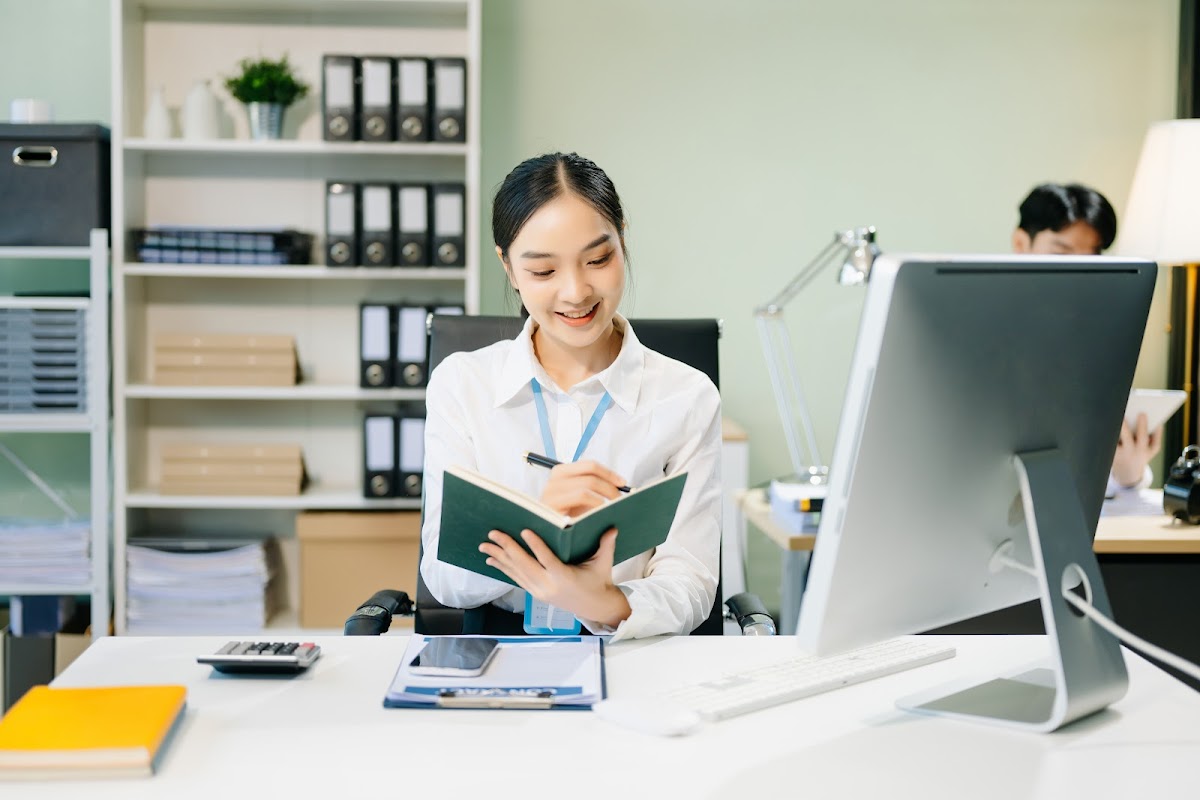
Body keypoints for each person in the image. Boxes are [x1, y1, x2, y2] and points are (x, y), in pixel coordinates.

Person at [419, 152, 721, 640]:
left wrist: (597, 601)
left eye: (598, 259)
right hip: (496, 648)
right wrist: (540, 517)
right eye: (542, 271)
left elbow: (692, 583)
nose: (576, 292)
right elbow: (444, 577)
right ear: (509, 268)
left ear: (623, 241)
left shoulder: (686, 397)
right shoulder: (463, 384)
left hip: (632, 647)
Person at [1013, 182, 1159, 492]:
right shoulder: (987, 326)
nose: (1077, 270)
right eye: (1060, 253)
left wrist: (1130, 473)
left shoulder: (1102, 335)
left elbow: (1112, 487)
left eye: (1091, 256)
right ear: (1021, 243)